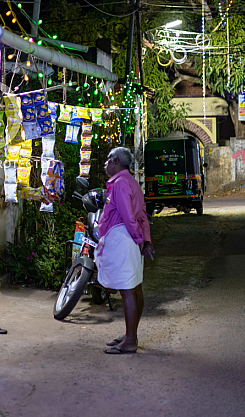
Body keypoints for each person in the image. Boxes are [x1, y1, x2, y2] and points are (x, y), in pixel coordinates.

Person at [95, 146, 154, 354]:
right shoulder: (131, 182)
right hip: (131, 239)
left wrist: (139, 239)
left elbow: (129, 217)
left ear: (117, 162)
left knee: (128, 290)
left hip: (124, 238)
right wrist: (144, 240)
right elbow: (142, 214)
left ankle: (130, 341)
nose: (106, 163)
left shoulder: (120, 184)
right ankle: (131, 335)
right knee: (135, 288)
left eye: (109, 159)